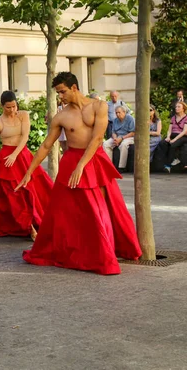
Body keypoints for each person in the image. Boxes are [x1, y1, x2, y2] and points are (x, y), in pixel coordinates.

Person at [17, 72, 141, 275]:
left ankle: (105, 253)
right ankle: (74, 251)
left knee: (100, 209)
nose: (61, 97)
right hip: (72, 161)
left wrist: (81, 165)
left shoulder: (99, 106)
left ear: (74, 87)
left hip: (94, 160)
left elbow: (98, 137)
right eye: (58, 93)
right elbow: (47, 145)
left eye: (62, 91)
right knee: (65, 212)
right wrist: (29, 172)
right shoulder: (61, 116)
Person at [0, 92, 52, 240]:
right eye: (8, 107)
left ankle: (38, 222)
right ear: (2, 106)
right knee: (15, 194)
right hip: (6, 159)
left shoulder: (23, 115)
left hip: (22, 155)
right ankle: (30, 227)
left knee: (34, 189)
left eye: (14, 106)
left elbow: (25, 136)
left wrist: (15, 154)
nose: (12, 110)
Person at [103, 106, 135, 171]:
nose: (117, 114)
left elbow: (133, 132)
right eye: (116, 113)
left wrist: (122, 138)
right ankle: (109, 165)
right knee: (106, 144)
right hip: (117, 137)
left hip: (128, 136)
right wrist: (115, 139)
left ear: (124, 112)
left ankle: (121, 166)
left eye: (119, 112)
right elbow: (113, 132)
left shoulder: (130, 119)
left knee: (123, 145)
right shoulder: (115, 120)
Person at [159, 100, 187, 172]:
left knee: (173, 145)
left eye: (178, 107)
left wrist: (174, 139)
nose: (176, 108)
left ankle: (168, 165)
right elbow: (169, 129)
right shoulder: (173, 118)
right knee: (162, 143)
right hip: (173, 134)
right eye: (176, 107)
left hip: (182, 136)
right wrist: (168, 137)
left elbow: (184, 131)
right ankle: (169, 160)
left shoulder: (186, 118)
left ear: (183, 108)